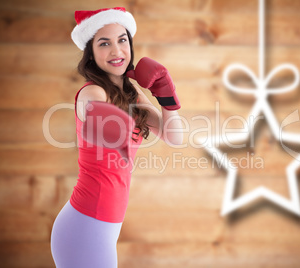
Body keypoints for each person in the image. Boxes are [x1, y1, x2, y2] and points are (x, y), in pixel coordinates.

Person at [50, 7, 183, 268]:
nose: (116, 50)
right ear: (91, 53)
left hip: (104, 225)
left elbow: (174, 136)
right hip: (84, 225)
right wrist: (108, 121)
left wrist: (166, 96)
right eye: (104, 43)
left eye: (122, 40)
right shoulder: (92, 92)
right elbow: (96, 115)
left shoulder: (132, 94)